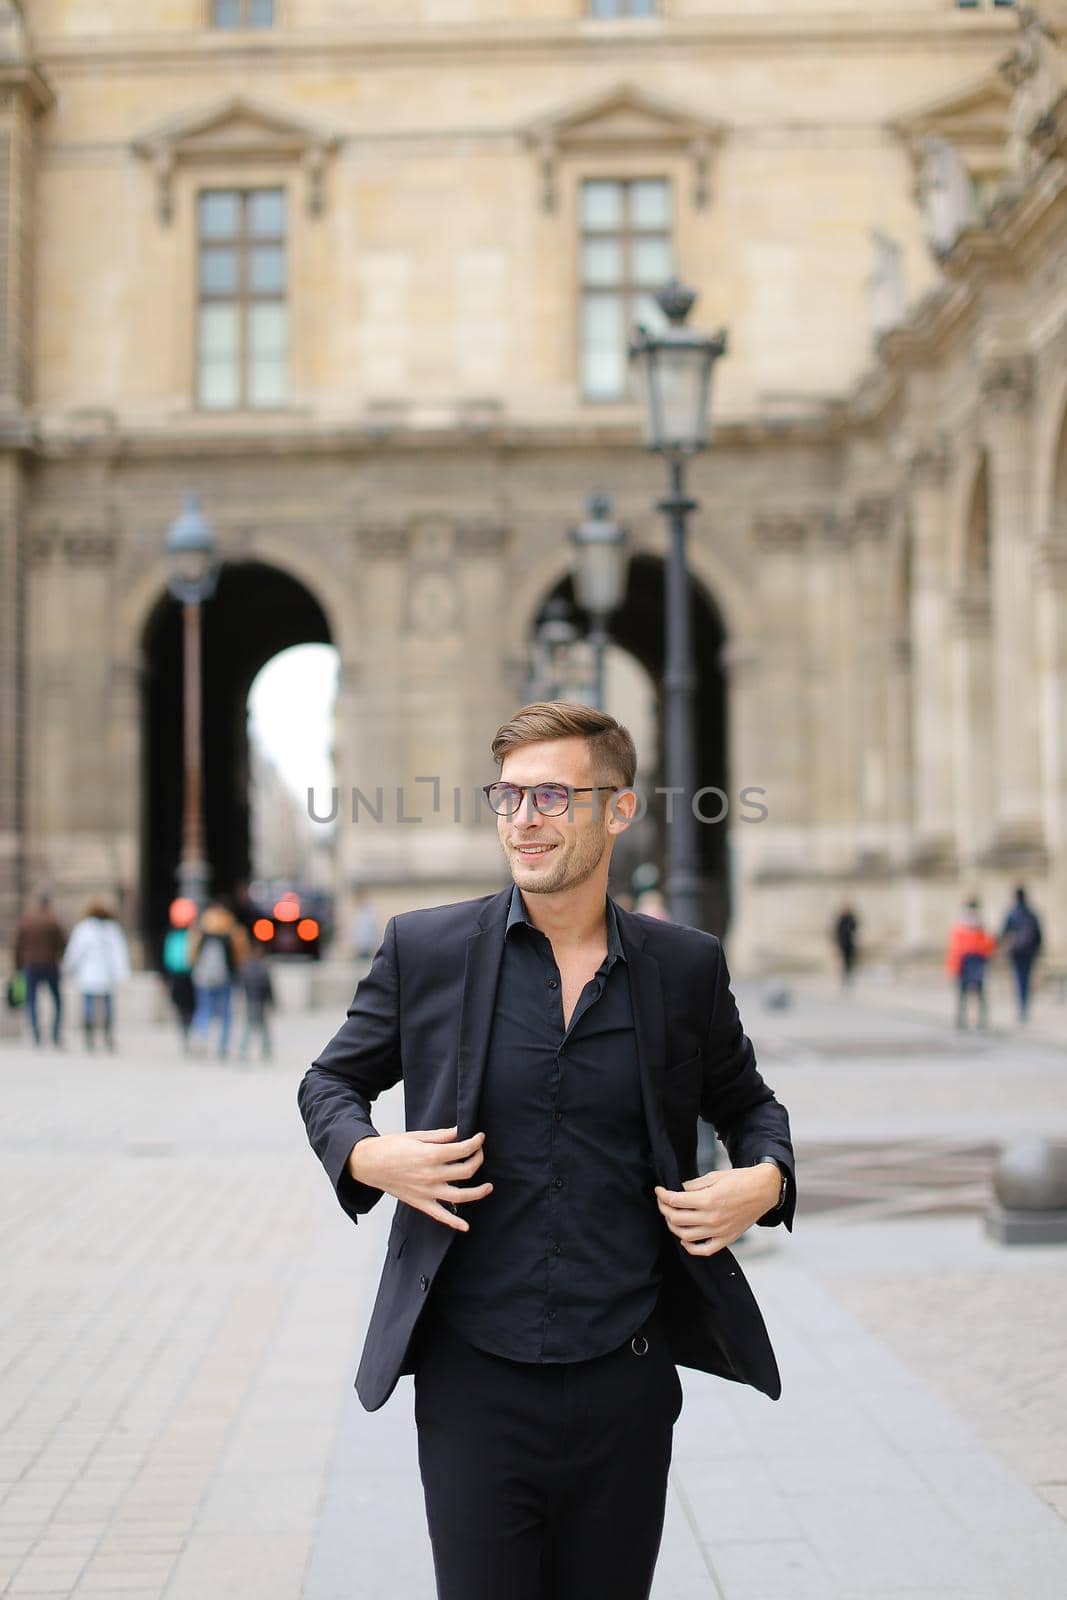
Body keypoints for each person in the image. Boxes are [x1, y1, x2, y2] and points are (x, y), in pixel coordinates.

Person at [298, 701, 795, 1600]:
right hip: (471, 1379)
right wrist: (370, 1158)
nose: (524, 820)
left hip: (627, 1378)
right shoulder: (428, 950)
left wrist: (762, 1180)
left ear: (619, 810)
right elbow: (327, 1085)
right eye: (508, 797)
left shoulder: (683, 967)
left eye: (554, 797)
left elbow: (750, 1104)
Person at [62, 901, 131, 1052]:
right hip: (106, 975)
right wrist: (122, 974)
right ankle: (107, 1036)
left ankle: (89, 1037)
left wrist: (67, 968)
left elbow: (75, 952)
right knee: (107, 1007)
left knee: (89, 1006)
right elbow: (119, 954)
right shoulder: (112, 929)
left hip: (89, 974)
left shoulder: (83, 929)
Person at [188, 901, 248, 1060]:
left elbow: (192, 953)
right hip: (226, 976)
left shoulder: (201, 930)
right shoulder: (233, 930)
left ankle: (202, 1039)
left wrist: (195, 968)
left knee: (204, 1008)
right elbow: (241, 953)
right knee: (226, 1013)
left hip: (203, 976)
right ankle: (223, 1046)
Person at [13, 891, 67, 1048]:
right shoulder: (53, 921)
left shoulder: (26, 920)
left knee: (32, 1000)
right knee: (57, 1000)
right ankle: (55, 1033)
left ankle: (36, 1033)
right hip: (50, 964)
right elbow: (63, 943)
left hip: (30, 965)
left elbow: (18, 945)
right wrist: (58, 957)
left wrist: (17, 966)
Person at [945, 899, 997, 1031]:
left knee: (972, 994)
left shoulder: (968, 928)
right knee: (971, 994)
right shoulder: (974, 928)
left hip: (972, 962)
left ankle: (972, 1020)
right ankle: (972, 1020)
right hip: (968, 963)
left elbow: (955, 949)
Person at [1000, 885, 1043, 1023]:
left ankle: (1021, 1008)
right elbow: (1039, 936)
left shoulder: (1012, 914)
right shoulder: (1032, 914)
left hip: (1017, 954)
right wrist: (1037, 951)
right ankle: (1024, 1007)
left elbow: (1004, 933)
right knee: (1026, 980)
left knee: (1019, 980)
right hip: (1029, 954)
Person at [162, 898, 198, 1050]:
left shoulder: (171, 935)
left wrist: (165, 976)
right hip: (190, 975)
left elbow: (166, 957)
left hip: (177, 975)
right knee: (190, 1005)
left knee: (181, 1005)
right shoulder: (193, 934)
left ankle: (184, 1028)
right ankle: (188, 1027)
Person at [238, 950, 276, 1062]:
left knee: (248, 1027)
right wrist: (272, 1003)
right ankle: (266, 1050)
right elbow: (269, 988)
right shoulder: (264, 969)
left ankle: (243, 1050)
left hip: (250, 1001)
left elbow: (242, 986)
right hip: (261, 1002)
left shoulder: (246, 969)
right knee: (264, 1028)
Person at [833, 905, 859, 988]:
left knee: (850, 963)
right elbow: (838, 932)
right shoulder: (841, 920)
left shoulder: (851, 919)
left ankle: (849, 979)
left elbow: (855, 928)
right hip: (843, 945)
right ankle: (844, 979)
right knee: (844, 963)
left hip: (850, 945)